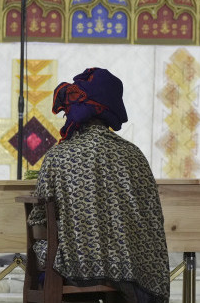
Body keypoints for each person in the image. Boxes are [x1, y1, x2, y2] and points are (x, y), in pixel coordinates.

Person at [28, 67, 169, 303]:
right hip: (130, 272)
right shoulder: (133, 155)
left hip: (74, 269)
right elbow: (152, 222)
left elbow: (39, 226)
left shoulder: (58, 157)